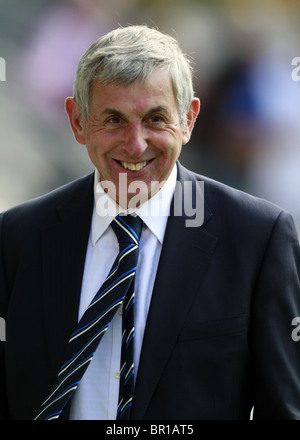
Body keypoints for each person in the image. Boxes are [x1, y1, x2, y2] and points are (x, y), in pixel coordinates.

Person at [1, 25, 300, 420]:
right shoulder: (16, 239)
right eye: (113, 120)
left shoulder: (257, 239)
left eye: (156, 119)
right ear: (77, 122)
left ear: (189, 119)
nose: (136, 144)